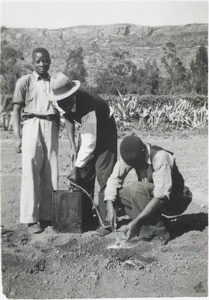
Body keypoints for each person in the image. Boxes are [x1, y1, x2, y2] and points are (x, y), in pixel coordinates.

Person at [49, 73, 118, 233]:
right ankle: (84, 217)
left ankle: (106, 223)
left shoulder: (88, 105)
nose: (63, 104)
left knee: (104, 174)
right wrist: (73, 145)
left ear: (73, 94)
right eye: (61, 101)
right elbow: (67, 117)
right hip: (89, 131)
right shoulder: (61, 100)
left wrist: (77, 167)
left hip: (105, 129)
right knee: (83, 175)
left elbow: (89, 142)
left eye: (66, 100)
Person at [105, 134, 192, 243]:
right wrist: (110, 207)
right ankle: (154, 223)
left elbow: (160, 197)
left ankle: (160, 231)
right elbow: (114, 179)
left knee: (137, 188)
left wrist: (136, 221)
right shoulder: (131, 154)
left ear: (143, 151)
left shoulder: (161, 157)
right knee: (117, 195)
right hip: (155, 196)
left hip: (176, 199)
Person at [12, 47, 60, 234]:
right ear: (33, 62)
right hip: (32, 125)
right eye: (38, 61)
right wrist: (17, 138)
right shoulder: (25, 81)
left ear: (50, 61)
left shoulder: (55, 82)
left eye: (45, 60)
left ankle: (48, 215)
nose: (42, 64)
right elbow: (16, 110)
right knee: (31, 170)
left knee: (51, 170)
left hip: (51, 125)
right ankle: (31, 218)